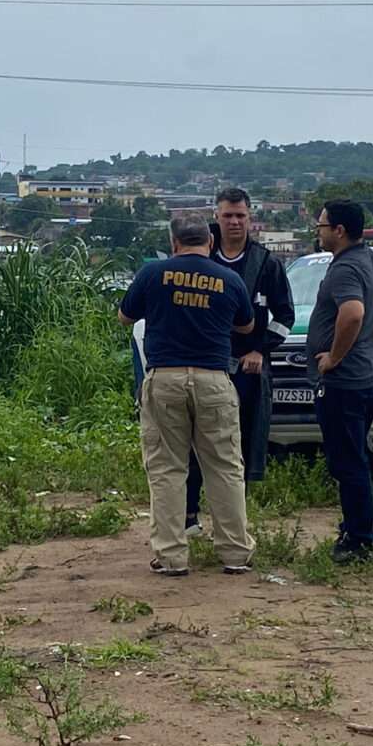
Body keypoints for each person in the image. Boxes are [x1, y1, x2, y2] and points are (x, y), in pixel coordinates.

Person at [118, 215, 257, 576]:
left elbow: (124, 316)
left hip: (164, 378)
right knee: (224, 467)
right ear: (210, 242)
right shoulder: (230, 279)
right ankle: (235, 553)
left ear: (174, 242)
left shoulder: (153, 274)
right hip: (214, 379)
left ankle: (171, 556)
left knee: (167, 469)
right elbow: (246, 324)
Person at [185, 188, 296, 536]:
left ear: (250, 218)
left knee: (242, 444)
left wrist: (259, 350)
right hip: (203, 368)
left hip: (248, 372)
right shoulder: (201, 258)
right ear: (216, 216)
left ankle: (232, 522)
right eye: (228, 215)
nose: (234, 222)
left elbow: (285, 315)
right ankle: (189, 515)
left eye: (241, 216)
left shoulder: (265, 264)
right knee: (194, 442)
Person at [306, 200, 373, 565]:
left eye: (321, 225)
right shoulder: (367, 258)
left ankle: (359, 539)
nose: (317, 231)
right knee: (353, 458)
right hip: (367, 374)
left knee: (348, 462)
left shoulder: (345, 269)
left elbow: (352, 314)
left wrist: (333, 358)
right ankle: (354, 526)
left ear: (339, 230)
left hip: (345, 380)